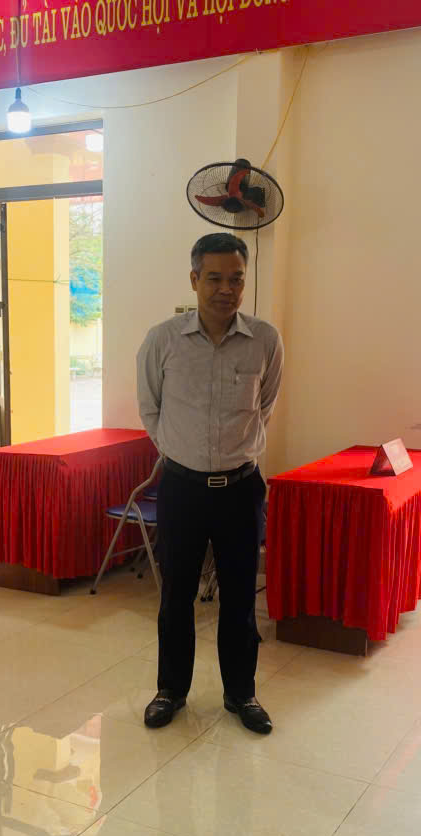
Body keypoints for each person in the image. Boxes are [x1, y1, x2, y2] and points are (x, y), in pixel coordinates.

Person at [136, 232, 284, 735]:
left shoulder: (265, 339)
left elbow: (265, 404)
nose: (227, 288)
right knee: (175, 594)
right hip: (182, 489)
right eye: (216, 278)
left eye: (237, 279)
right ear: (195, 278)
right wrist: (180, 452)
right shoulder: (163, 339)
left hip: (242, 489)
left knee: (240, 598)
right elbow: (150, 408)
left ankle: (241, 693)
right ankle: (170, 690)